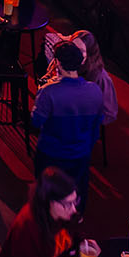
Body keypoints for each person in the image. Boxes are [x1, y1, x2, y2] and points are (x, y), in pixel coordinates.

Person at [29, 41, 104, 207]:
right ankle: (76, 215)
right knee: (78, 189)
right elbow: (97, 125)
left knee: (46, 192)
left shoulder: (49, 91)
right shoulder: (95, 90)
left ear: (57, 63)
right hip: (81, 153)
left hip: (51, 153)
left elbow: (36, 121)